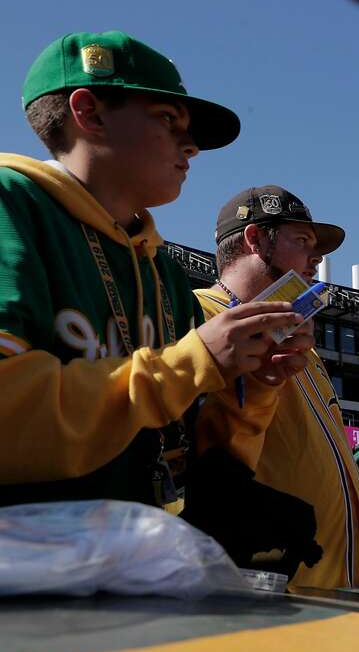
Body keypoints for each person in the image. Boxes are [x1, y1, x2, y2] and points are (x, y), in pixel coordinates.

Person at [0, 30, 300, 507]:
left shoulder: (161, 267)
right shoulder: (12, 208)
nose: (192, 147)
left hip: (137, 563)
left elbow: (192, 454)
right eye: (167, 119)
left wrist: (256, 388)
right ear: (89, 113)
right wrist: (190, 364)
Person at [194, 185, 359, 589]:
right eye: (303, 241)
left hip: (343, 595)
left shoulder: (304, 348)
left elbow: (343, 487)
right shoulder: (197, 314)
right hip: (269, 596)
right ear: (255, 239)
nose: (318, 257)